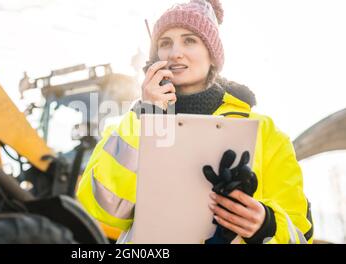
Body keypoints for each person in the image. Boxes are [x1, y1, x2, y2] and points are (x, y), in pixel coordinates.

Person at [76, 0, 313, 244]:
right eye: (165, 43)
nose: (175, 52)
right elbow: (106, 209)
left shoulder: (266, 132)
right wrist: (146, 117)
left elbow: (299, 233)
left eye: (190, 40)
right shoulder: (129, 127)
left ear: (212, 56)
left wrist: (266, 224)